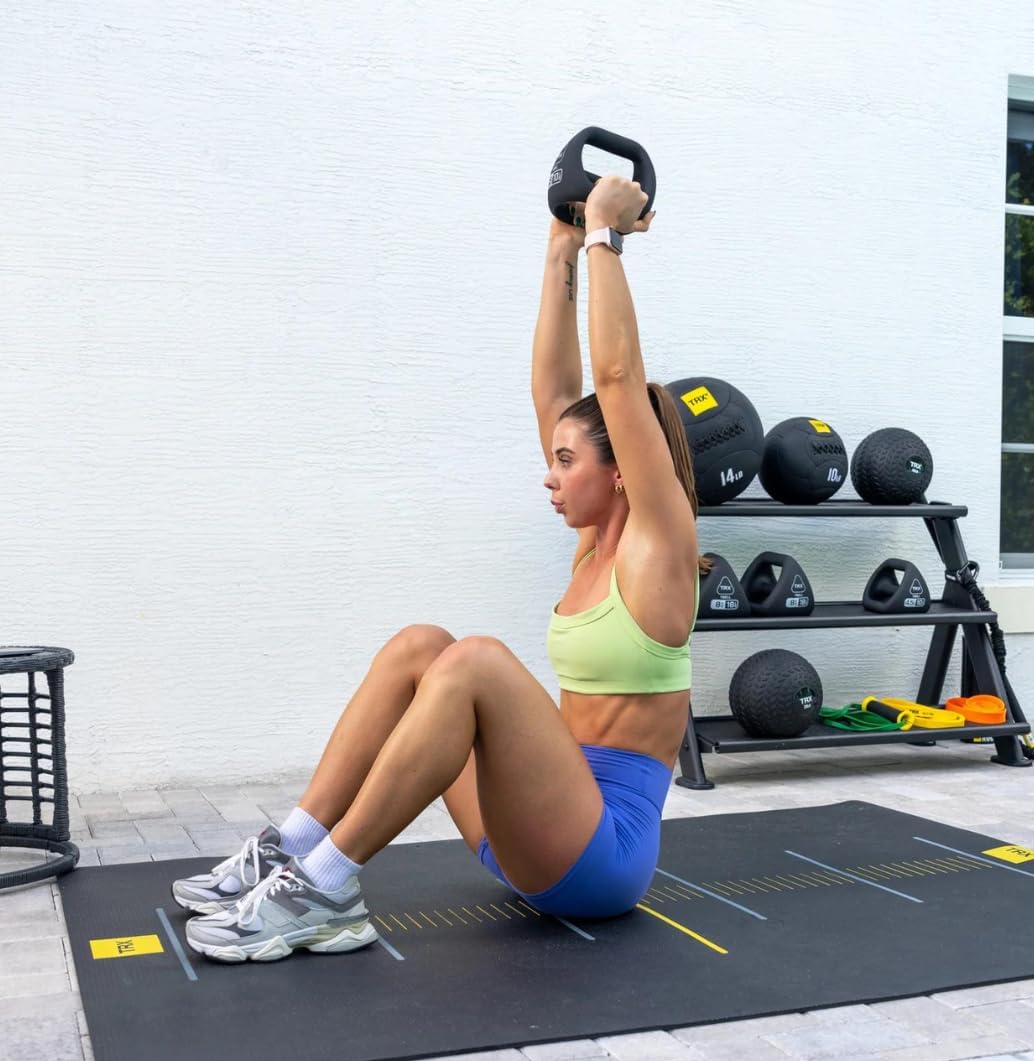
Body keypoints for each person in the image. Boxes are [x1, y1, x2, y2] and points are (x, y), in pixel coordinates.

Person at [176, 175, 710, 962]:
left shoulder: (661, 547)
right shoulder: (592, 546)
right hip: (533, 827)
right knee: (421, 646)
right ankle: (294, 846)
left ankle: (326, 889)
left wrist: (605, 233)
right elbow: (555, 388)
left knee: (477, 661)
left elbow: (617, 381)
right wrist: (560, 246)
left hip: (600, 858)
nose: (549, 476)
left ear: (625, 470)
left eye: (567, 462)